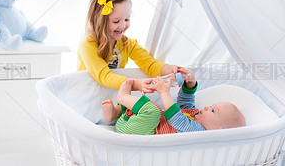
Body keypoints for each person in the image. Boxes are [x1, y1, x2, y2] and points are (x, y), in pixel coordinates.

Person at [77, 0, 179, 93]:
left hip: (110, 95)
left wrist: (170, 70)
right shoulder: (88, 43)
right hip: (87, 94)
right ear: (99, 21)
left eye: (127, 19)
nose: (122, 26)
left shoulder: (127, 43)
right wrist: (135, 84)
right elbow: (104, 76)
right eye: (116, 21)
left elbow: (150, 64)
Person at [102, 68, 246, 135]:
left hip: (141, 131)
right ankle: (115, 113)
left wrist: (164, 92)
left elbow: (176, 118)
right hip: (135, 123)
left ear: (220, 130)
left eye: (213, 111)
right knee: (146, 111)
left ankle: (122, 98)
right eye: (210, 106)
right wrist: (190, 84)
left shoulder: (199, 132)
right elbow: (185, 103)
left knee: (153, 111)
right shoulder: (196, 115)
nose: (207, 108)